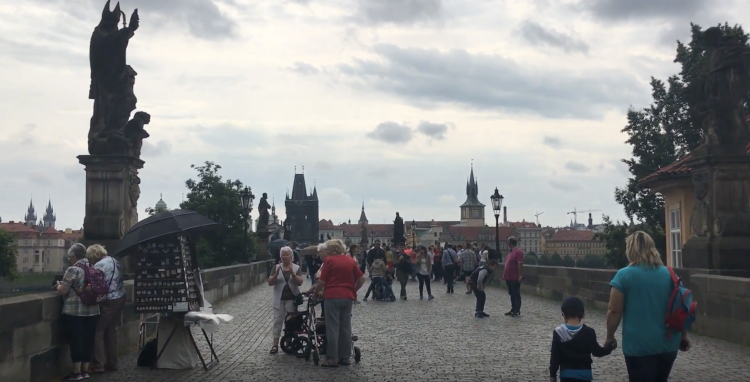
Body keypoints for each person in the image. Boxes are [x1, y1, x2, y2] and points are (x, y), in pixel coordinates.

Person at [606, 231, 691, 382]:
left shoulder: (624, 275)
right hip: (668, 344)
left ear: (630, 250)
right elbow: (681, 307)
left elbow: (614, 311)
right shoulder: (671, 274)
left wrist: (610, 337)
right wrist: (683, 335)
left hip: (638, 346)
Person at [313, 239, 365, 367]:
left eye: (327, 249)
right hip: (347, 297)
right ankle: (345, 357)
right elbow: (361, 279)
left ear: (331, 250)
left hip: (332, 296)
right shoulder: (350, 261)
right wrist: (353, 290)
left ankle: (332, 358)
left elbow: (322, 282)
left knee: (332, 328)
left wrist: (315, 293)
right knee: (345, 328)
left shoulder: (329, 261)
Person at [55, 243, 100, 381]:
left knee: (76, 341)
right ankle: (85, 371)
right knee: (88, 341)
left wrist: (57, 285)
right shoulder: (94, 268)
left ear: (73, 256)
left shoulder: (73, 269)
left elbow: (63, 291)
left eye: (70, 257)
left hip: (75, 311)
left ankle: (76, 372)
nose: (69, 260)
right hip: (93, 311)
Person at [549, 297, 616, 382]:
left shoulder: (558, 332)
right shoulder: (589, 332)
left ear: (563, 314)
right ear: (583, 314)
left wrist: (552, 376)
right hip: (585, 375)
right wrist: (609, 347)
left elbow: (555, 358)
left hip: (566, 376)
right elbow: (597, 352)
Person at [88, 244, 125, 374]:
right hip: (120, 297)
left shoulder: (99, 266)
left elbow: (94, 286)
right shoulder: (116, 262)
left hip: (108, 301)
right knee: (111, 331)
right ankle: (112, 362)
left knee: (98, 331)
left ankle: (99, 364)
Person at [268, 246, 303, 354]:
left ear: (291, 256)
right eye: (283, 255)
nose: (285, 257)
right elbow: (270, 282)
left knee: (290, 322)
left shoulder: (296, 268)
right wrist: (275, 274)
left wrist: (293, 274)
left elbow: (300, 282)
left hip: (291, 299)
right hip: (279, 299)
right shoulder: (276, 267)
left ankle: (289, 342)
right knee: (278, 321)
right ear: (280, 257)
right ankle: (275, 345)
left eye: (287, 254)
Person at [503, 236, 524, 317]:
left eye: (507, 242)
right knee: (511, 293)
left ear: (510, 243)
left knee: (516, 293)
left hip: (515, 276)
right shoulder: (511, 251)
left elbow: (520, 264)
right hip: (509, 276)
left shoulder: (518, 251)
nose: (507, 244)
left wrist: (519, 275)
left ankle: (517, 310)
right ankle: (513, 308)